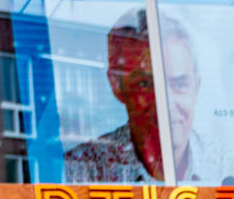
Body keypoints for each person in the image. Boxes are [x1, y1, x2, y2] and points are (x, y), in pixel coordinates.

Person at [64, 10, 222, 184]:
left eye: (179, 85)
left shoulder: (227, 166)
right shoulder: (81, 169)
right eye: (145, 85)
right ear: (117, 86)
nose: (166, 105)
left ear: (196, 87)